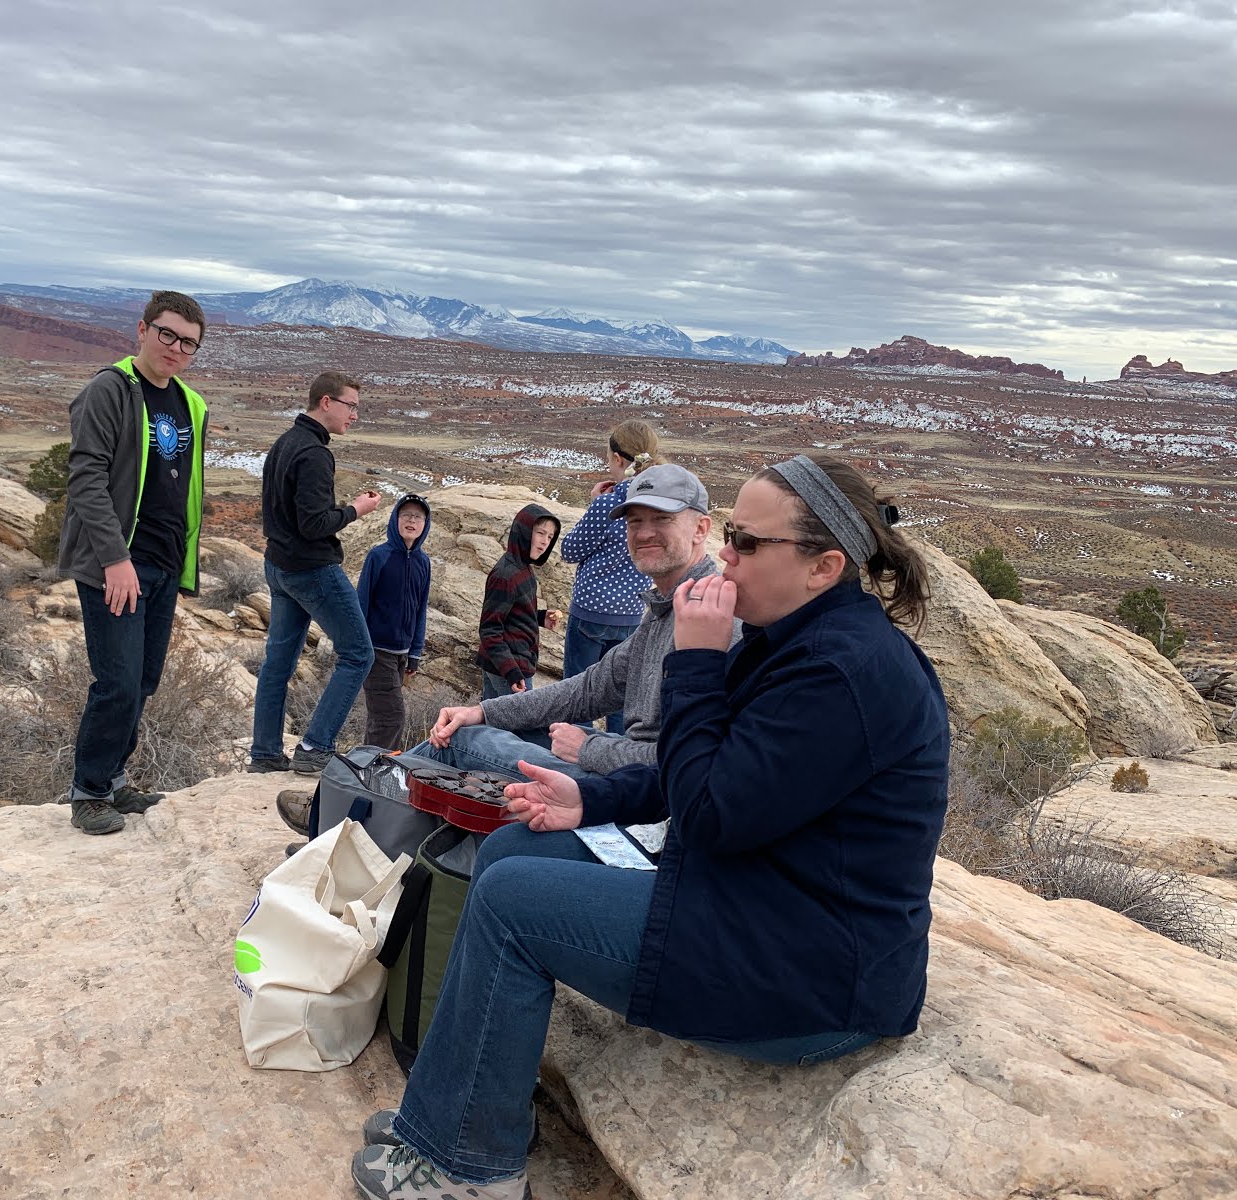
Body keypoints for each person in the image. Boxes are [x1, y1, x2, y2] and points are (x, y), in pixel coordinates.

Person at [349, 454, 949, 1200]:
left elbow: (710, 811)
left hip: (811, 974)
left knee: (510, 906)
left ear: (824, 567)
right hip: (756, 905)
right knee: (510, 848)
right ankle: (475, 1106)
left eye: (747, 543)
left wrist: (697, 663)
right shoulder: (797, 640)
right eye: (731, 535)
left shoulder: (842, 673)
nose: (729, 557)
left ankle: (469, 1172)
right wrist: (588, 801)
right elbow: (706, 773)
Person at [412, 464, 733, 782]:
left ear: (701, 529)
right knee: (492, 725)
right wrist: (484, 711)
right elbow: (588, 690)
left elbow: (690, 760)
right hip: (629, 767)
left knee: (462, 741)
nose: (644, 533)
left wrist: (588, 748)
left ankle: (386, 780)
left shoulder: (712, 620)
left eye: (662, 518)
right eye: (635, 521)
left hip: (645, 790)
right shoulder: (664, 610)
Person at [57, 290, 209, 836]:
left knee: (143, 681)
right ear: (142, 330)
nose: (175, 348)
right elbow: (86, 479)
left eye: (187, 343)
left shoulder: (191, 403)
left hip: (164, 562)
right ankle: (88, 791)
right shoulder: (110, 389)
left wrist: (185, 561)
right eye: (167, 334)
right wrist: (115, 559)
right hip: (118, 563)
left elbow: (181, 485)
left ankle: (115, 778)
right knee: (117, 681)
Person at [249, 371, 381, 776]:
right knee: (359, 653)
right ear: (326, 402)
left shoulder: (285, 442)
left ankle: (265, 754)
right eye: (350, 406)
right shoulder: (315, 453)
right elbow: (313, 525)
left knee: (278, 663)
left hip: (279, 565)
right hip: (311, 569)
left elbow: (285, 513)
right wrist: (356, 510)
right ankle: (315, 746)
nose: (354, 415)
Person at [558, 419, 664, 734]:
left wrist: (595, 505)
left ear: (618, 459)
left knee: (579, 691)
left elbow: (570, 550)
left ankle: (577, 750)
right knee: (621, 694)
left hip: (590, 612)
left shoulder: (609, 504)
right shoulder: (658, 505)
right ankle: (616, 751)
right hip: (631, 614)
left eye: (608, 458)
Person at [356, 494, 433, 750]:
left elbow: (420, 610)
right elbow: (361, 602)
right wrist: (358, 646)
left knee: (380, 717)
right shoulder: (378, 556)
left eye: (418, 517)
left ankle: (367, 764)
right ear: (395, 519)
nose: (412, 520)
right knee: (392, 717)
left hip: (402, 654)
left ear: (425, 524)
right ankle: (378, 767)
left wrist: (415, 654)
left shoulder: (423, 562)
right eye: (406, 515)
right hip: (376, 650)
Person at [476, 505, 562, 700]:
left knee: (491, 717)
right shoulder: (505, 575)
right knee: (522, 718)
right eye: (540, 533)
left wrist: (541, 617)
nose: (545, 542)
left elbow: (514, 613)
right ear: (523, 531)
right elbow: (489, 629)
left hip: (509, 662)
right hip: (509, 667)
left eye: (550, 537)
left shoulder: (523, 567)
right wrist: (511, 671)